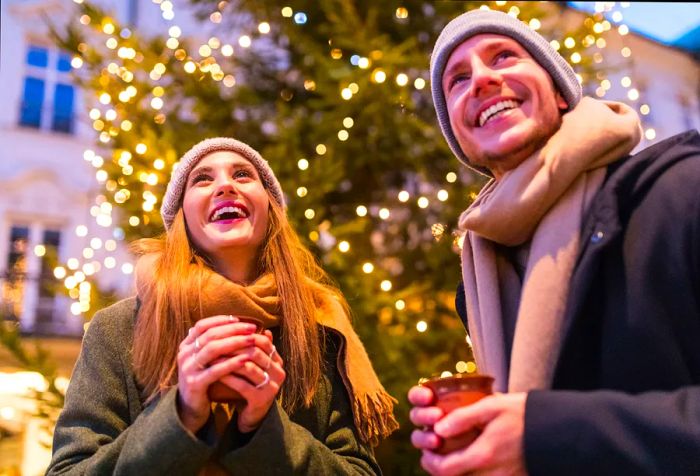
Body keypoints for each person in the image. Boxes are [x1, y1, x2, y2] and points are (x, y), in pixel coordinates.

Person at [409, 8, 700, 476]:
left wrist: (544, 433)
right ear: (461, 139)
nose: (482, 79)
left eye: (503, 56)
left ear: (560, 93)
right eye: (457, 80)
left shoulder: (680, 189)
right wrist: (486, 441)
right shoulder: (481, 279)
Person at [48, 137, 398, 475]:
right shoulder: (117, 329)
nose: (225, 186)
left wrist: (262, 425)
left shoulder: (318, 327)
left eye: (243, 174)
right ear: (182, 216)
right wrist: (181, 414)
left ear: (270, 208)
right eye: (202, 179)